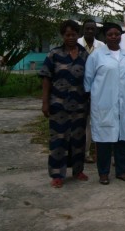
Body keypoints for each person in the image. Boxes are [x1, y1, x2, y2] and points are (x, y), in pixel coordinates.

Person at [39, 19, 89, 188]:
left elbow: (89, 80)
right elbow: (46, 79)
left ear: (78, 35)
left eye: (73, 34)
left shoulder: (84, 54)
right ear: (62, 36)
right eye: (67, 35)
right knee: (58, 140)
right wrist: (45, 102)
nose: (70, 37)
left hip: (80, 106)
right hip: (58, 105)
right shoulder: (54, 54)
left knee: (78, 140)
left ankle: (78, 170)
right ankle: (57, 174)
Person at [84, 23, 125, 185]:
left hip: (124, 104)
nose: (114, 37)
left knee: (122, 139)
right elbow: (88, 81)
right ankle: (103, 173)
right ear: (105, 36)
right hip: (103, 104)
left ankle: (121, 171)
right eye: (110, 34)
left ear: (121, 35)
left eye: (117, 34)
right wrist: (91, 100)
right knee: (103, 140)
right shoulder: (96, 56)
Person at [77, 19, 105, 164]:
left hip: (98, 90)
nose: (89, 31)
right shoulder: (76, 44)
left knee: (96, 123)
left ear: (96, 31)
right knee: (81, 123)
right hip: (78, 90)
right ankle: (81, 152)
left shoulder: (102, 46)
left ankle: (94, 152)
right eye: (87, 29)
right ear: (83, 30)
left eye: (92, 29)